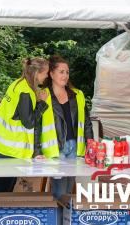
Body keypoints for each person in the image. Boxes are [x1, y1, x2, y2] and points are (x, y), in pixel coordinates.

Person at [0, 57, 49, 192]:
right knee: (4, 186)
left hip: (1, 144)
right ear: (37, 73)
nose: (47, 76)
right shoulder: (26, 92)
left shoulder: (17, 84)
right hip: (7, 148)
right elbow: (29, 123)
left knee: (7, 184)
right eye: (46, 73)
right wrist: (42, 103)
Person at [38, 55, 93, 199]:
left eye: (67, 72)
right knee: (60, 189)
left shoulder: (78, 95)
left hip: (75, 147)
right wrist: (37, 150)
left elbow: (86, 122)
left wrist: (91, 144)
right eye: (61, 72)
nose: (65, 75)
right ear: (51, 74)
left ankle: (64, 217)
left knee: (69, 188)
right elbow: (36, 125)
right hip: (55, 149)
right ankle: (56, 218)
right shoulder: (44, 95)